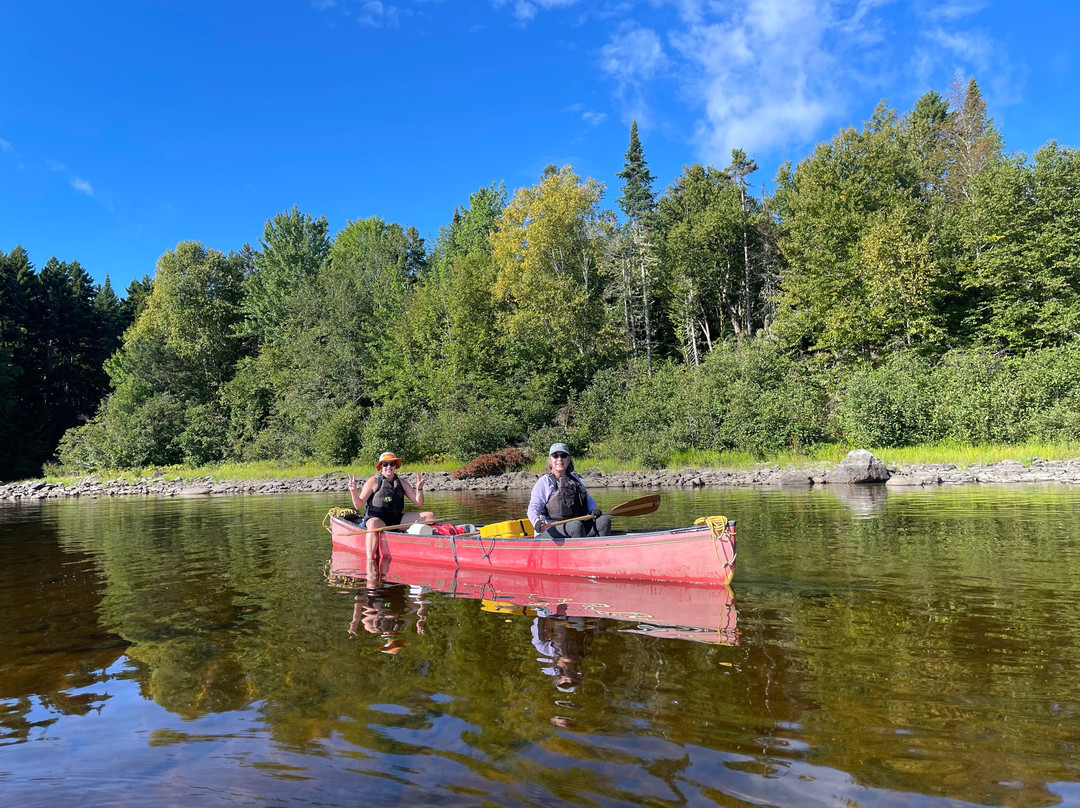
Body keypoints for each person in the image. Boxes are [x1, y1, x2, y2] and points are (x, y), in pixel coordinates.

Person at [348, 451, 435, 568]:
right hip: (377, 519)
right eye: (385, 464)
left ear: (395, 466)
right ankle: (370, 561)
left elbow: (418, 502)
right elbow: (358, 505)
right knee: (373, 524)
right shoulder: (373, 481)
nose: (389, 467)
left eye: (392, 464)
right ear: (380, 467)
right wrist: (353, 491)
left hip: (396, 519)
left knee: (430, 516)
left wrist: (419, 489)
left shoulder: (402, 483)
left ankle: (411, 536)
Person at [527, 443, 611, 538]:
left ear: (568, 459)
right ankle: (581, 551)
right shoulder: (544, 482)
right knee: (576, 526)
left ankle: (602, 549)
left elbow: (587, 498)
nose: (559, 459)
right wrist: (536, 522)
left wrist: (593, 510)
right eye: (555, 456)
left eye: (563, 455)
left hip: (575, 527)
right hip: (550, 531)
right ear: (550, 461)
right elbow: (533, 508)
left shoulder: (574, 480)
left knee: (604, 521)